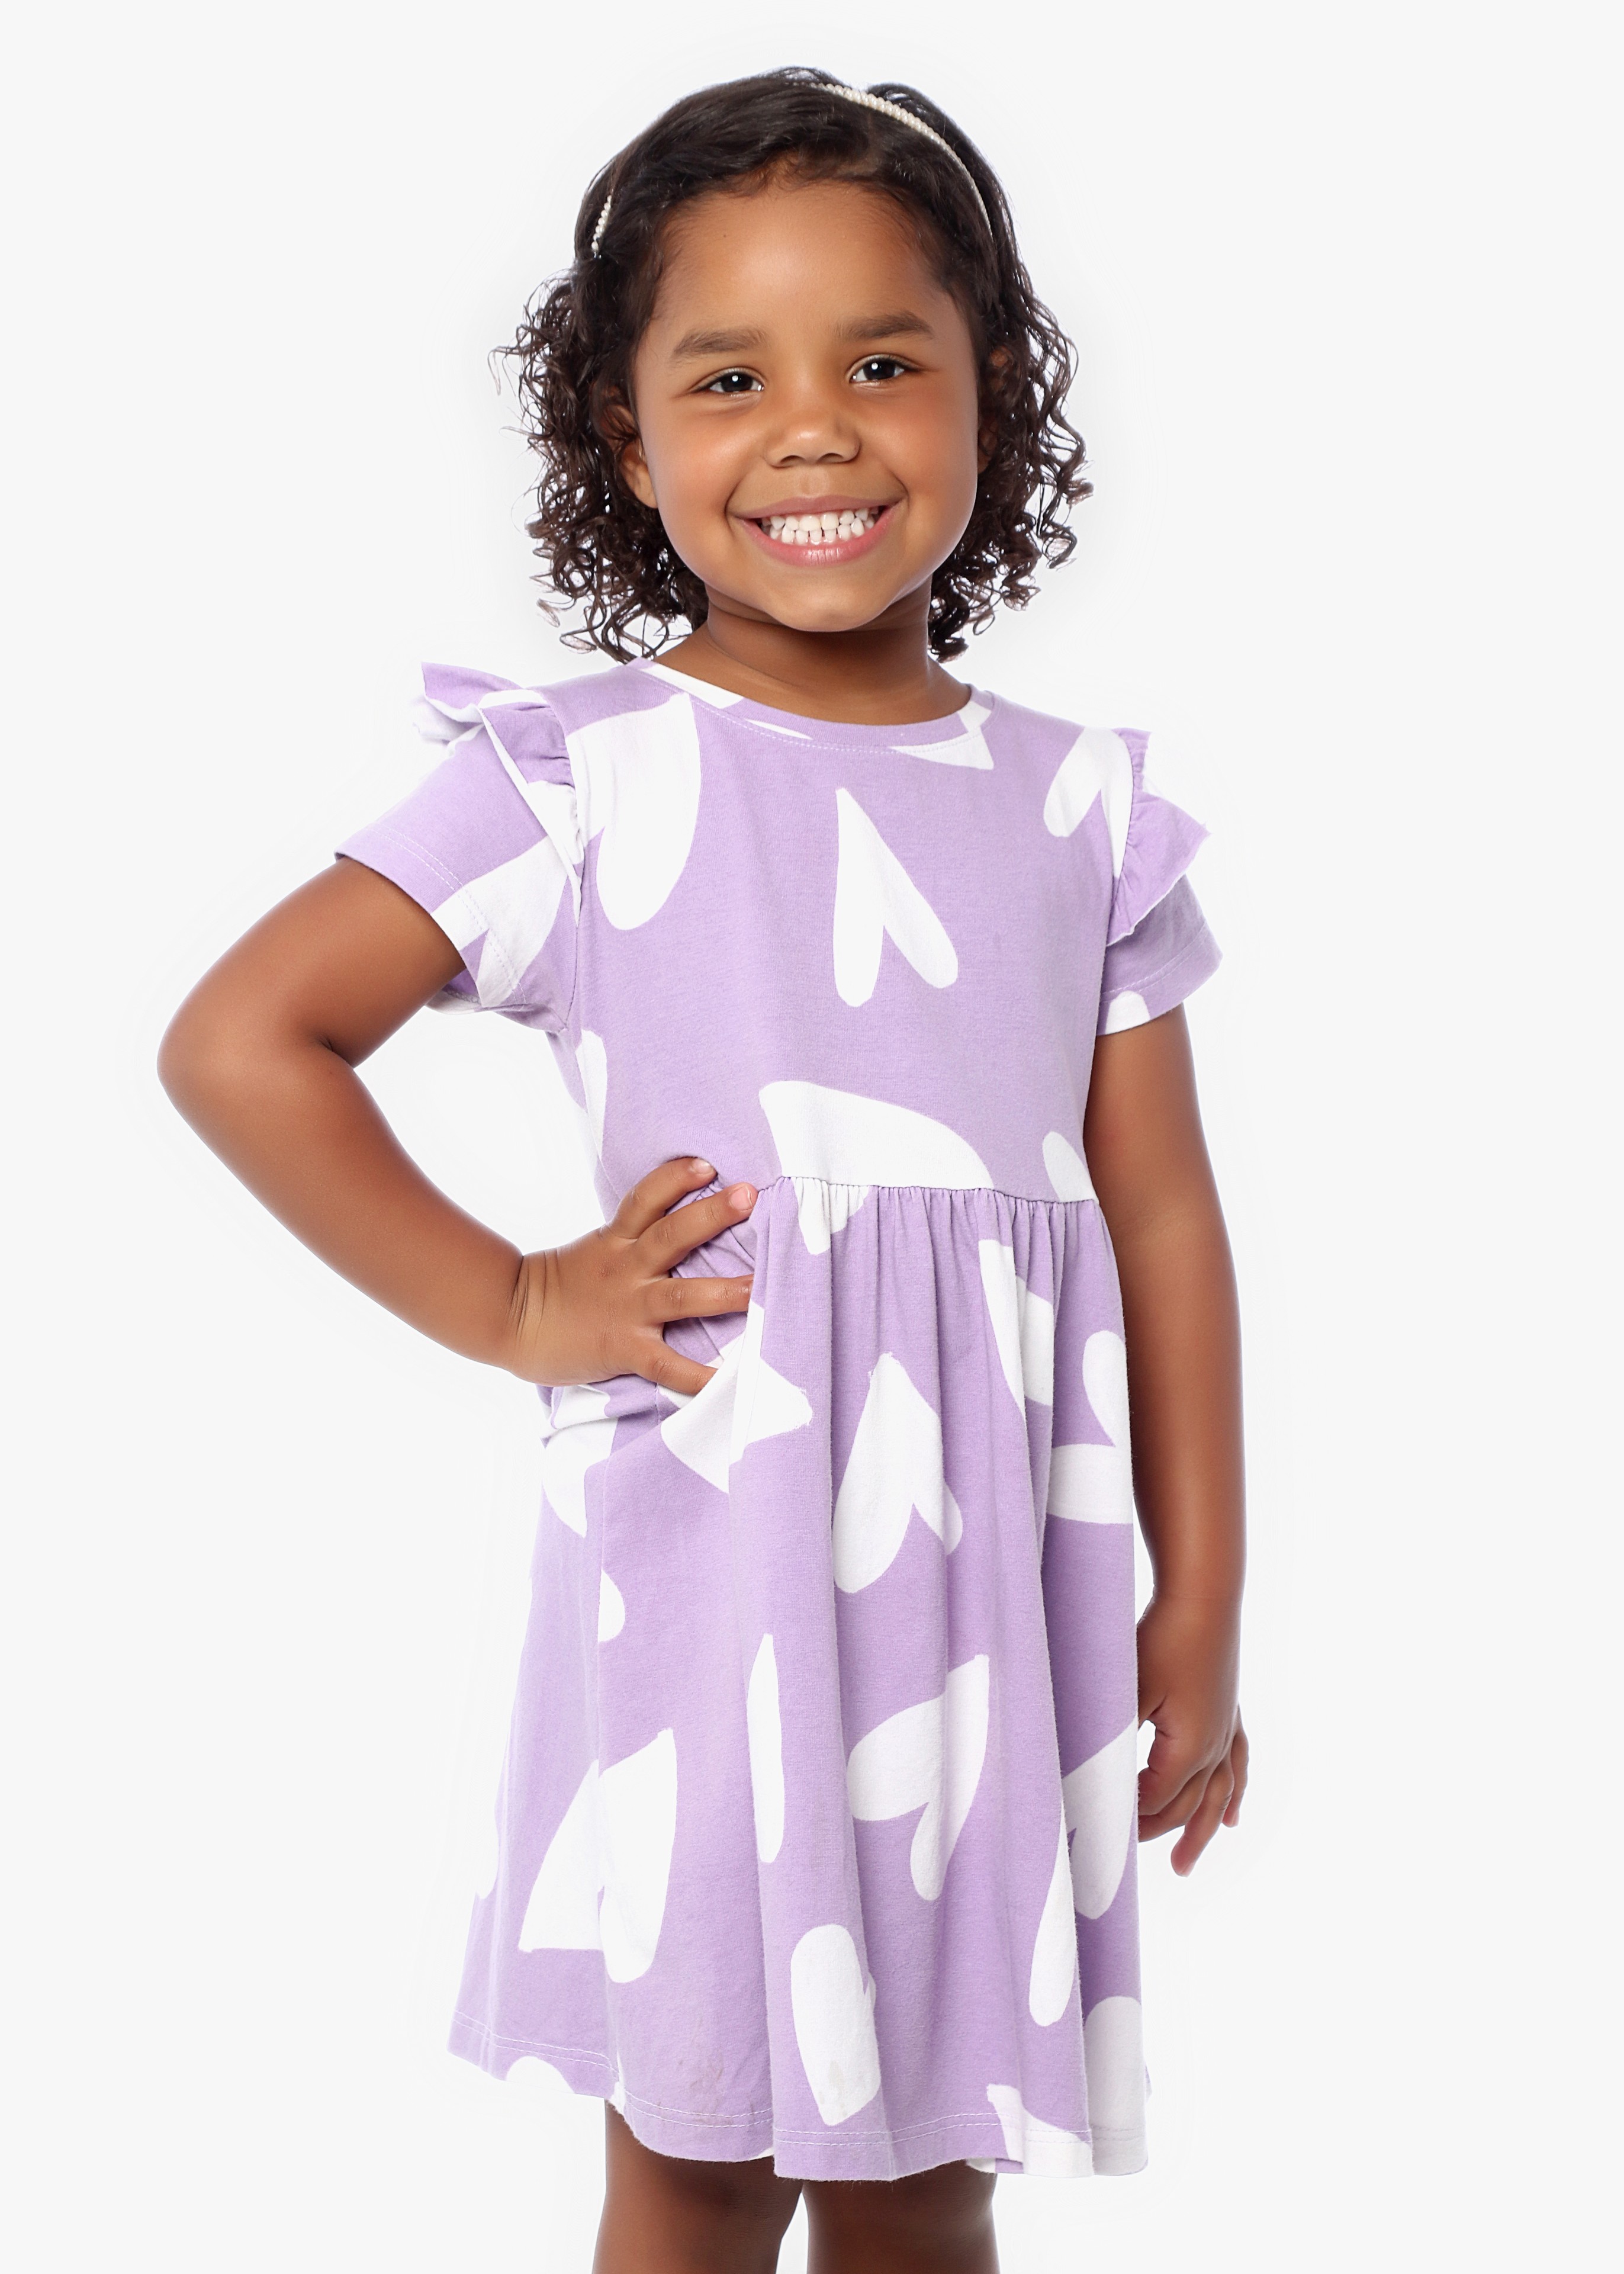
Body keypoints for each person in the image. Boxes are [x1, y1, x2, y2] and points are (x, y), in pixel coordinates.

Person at [159, 66, 1247, 2274]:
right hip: (720, 1575)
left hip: (987, 1602)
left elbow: (1160, 1217)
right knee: (705, 2150)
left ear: (994, 388)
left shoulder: (1082, 813)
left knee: (933, 2159)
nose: (815, 432)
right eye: (731, 378)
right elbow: (245, 1043)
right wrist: (515, 1301)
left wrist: (1204, 1597)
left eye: (883, 364)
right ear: (627, 439)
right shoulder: (581, 778)